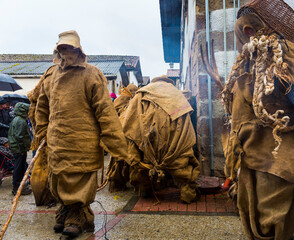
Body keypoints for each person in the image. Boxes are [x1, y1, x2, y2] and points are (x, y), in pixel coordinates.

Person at [220, 0, 294, 239]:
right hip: (251, 149)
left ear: (249, 31)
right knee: (252, 202)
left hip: (276, 151)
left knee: (276, 206)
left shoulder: (279, 55)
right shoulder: (249, 62)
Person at [35, 30, 128, 238]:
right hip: (57, 142)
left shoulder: (91, 74)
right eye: (62, 48)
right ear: (57, 50)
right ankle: (66, 209)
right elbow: (42, 107)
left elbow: (104, 110)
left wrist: (115, 141)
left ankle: (77, 213)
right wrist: (42, 133)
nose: (65, 52)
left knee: (79, 178)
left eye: (69, 48)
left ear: (78, 50)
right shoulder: (51, 76)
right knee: (58, 178)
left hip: (83, 143)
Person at [121, 75, 200, 203]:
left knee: (141, 164)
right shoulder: (176, 94)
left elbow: (129, 121)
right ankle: (187, 194)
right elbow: (186, 120)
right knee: (181, 165)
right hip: (175, 137)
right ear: (169, 82)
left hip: (148, 137)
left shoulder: (141, 93)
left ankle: (145, 190)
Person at [8, 102, 32, 196]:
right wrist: (22, 149)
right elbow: (19, 136)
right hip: (19, 149)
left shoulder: (17, 119)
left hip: (18, 148)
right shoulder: (20, 121)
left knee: (21, 168)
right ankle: (16, 188)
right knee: (18, 169)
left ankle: (21, 187)